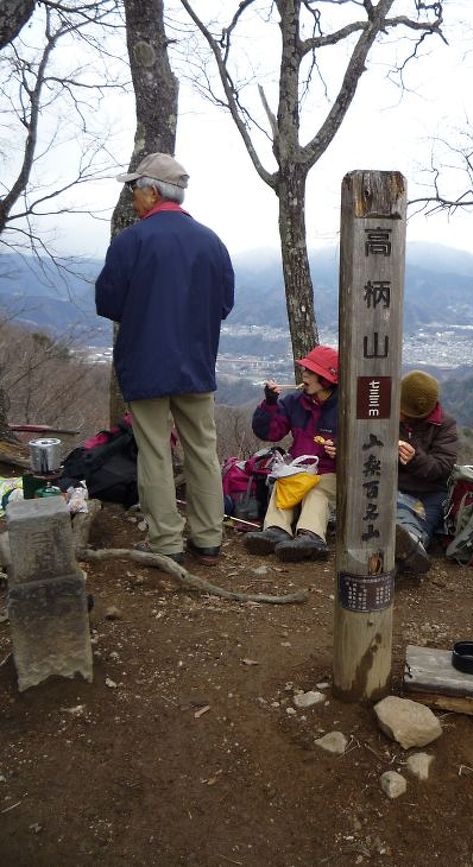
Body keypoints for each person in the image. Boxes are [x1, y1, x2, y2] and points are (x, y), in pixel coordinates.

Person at [95, 152, 234, 566]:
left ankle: (167, 541)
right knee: (202, 450)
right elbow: (224, 303)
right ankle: (209, 538)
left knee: (154, 450)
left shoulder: (131, 241)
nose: (133, 199)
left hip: (145, 362)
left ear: (152, 192)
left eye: (134, 189)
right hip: (196, 362)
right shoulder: (212, 241)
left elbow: (108, 301)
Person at [244, 345, 338, 562]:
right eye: (305, 369)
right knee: (283, 484)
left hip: (330, 471)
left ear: (326, 379)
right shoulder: (295, 401)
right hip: (299, 468)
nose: (304, 374)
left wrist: (341, 449)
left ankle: (311, 536)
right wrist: (269, 404)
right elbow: (269, 432)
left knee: (318, 491)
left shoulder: (346, 406)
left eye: (311, 371)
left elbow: (361, 442)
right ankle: (276, 530)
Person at [395, 371, 459, 574]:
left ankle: (409, 551)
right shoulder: (385, 414)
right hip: (392, 486)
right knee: (390, 517)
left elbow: (442, 467)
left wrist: (414, 459)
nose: (399, 414)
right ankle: (398, 556)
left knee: (422, 525)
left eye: (405, 413)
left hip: (429, 492)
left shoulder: (444, 426)